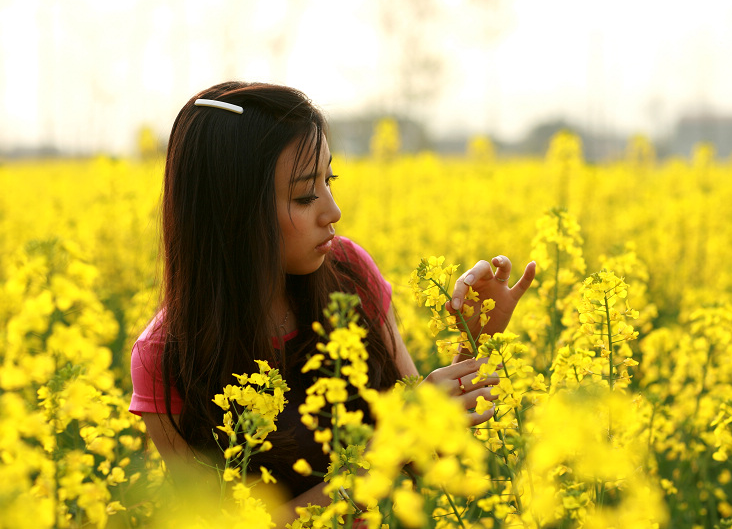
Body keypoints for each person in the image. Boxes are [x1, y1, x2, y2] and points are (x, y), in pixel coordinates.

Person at [128, 81, 536, 519]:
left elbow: (430, 463)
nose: (333, 210)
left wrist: (474, 340)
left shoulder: (350, 273)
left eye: (329, 179)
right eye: (305, 194)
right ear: (233, 212)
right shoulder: (164, 356)